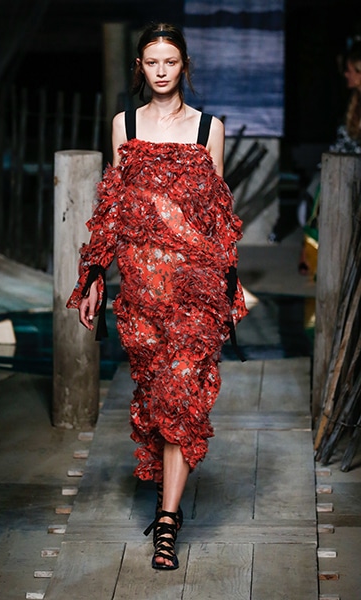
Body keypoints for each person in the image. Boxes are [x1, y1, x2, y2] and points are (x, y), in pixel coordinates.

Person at [66, 22, 247, 570]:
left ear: (184, 65)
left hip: (196, 289)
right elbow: (113, 207)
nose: (162, 71)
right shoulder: (125, 125)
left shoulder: (208, 129)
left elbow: (218, 214)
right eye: (152, 62)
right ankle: (169, 508)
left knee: (182, 396)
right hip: (143, 291)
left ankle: (167, 521)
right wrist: (94, 275)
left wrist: (229, 285)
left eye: (171, 61)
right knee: (157, 398)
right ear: (140, 68)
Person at [298, 40, 361, 277]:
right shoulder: (353, 104)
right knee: (315, 192)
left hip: (353, 171)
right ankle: (316, 256)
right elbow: (343, 142)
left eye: (350, 70)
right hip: (344, 168)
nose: (346, 75)